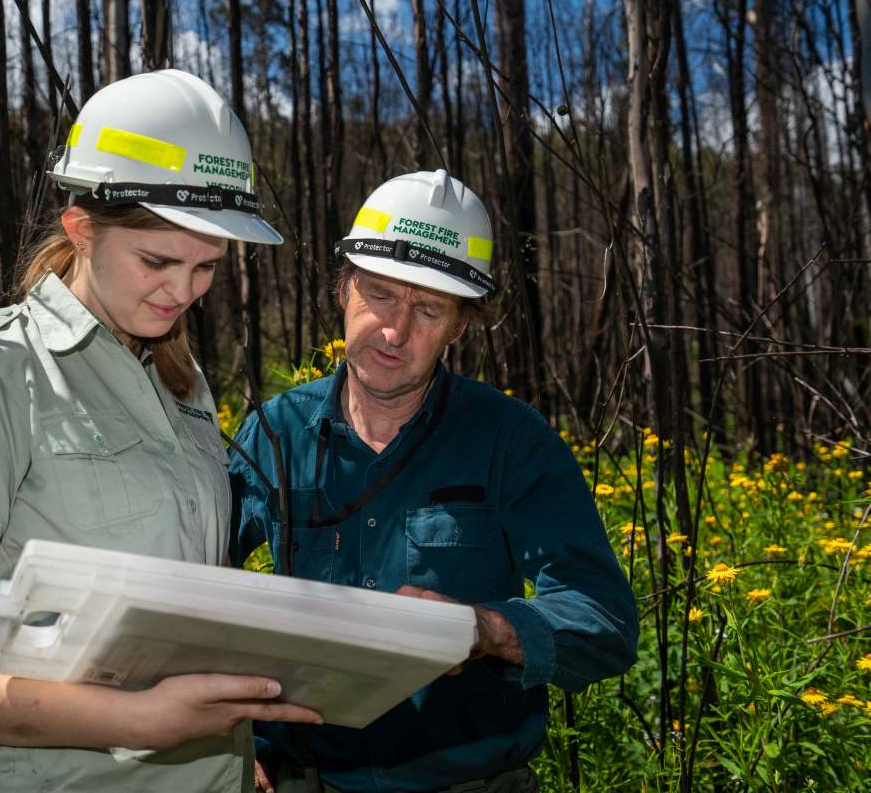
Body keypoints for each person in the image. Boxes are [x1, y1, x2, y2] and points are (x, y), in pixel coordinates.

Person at [0, 69, 321, 793]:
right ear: (81, 230)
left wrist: (226, 746)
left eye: (207, 267)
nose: (182, 293)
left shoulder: (181, 385)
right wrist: (140, 722)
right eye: (156, 261)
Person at [228, 170, 639, 793]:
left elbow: (604, 620)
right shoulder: (275, 433)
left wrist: (484, 629)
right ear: (344, 289)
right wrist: (225, 733)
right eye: (380, 295)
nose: (395, 332)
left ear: (460, 326)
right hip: (302, 776)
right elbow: (187, 580)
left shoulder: (510, 441)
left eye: (428, 309)